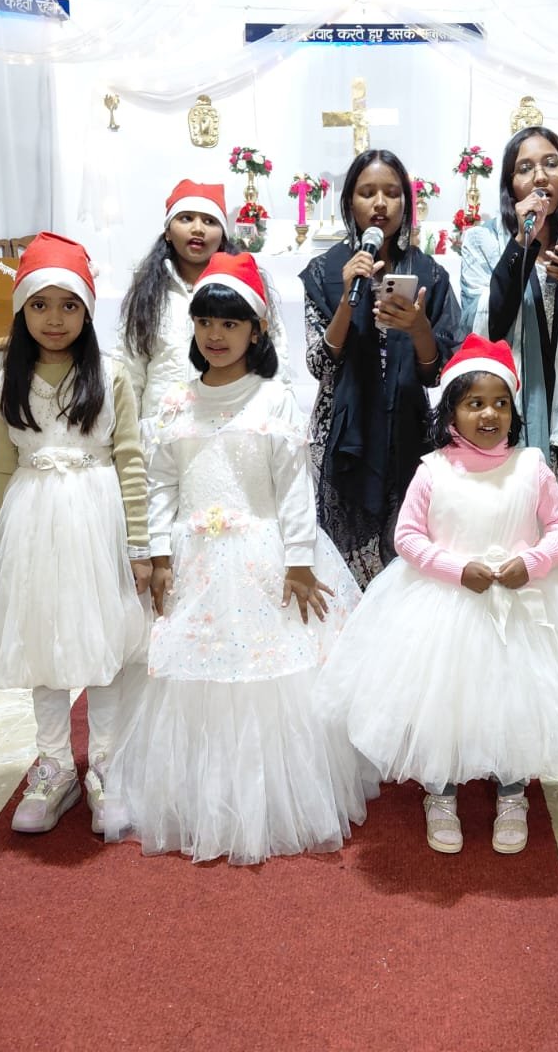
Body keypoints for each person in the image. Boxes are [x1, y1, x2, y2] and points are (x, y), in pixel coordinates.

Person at [315, 336, 558, 855]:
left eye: (500, 403)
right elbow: (407, 537)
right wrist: (455, 568)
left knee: (516, 700)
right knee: (442, 702)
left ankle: (513, 791)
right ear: (451, 410)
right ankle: (441, 790)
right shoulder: (433, 470)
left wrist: (534, 561)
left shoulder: (531, 465)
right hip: (444, 606)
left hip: (523, 606)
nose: (489, 414)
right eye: (474, 403)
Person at [102, 252, 375, 864]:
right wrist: (159, 553)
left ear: (257, 330)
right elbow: (162, 485)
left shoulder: (273, 400)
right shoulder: (176, 403)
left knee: (267, 680)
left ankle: (269, 799)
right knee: (194, 677)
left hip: (264, 559)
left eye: (230, 322)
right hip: (196, 563)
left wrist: (299, 560)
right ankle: (199, 797)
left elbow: (294, 487)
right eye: (205, 322)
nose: (216, 335)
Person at [0, 232, 152, 834]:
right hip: (32, 525)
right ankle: (53, 765)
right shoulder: (4, 382)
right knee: (40, 643)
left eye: (70, 305)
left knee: (104, 645)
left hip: (99, 521)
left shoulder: (111, 376)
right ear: (21, 309)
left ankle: (106, 764)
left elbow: (130, 460)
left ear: (88, 311)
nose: (54, 318)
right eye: (40, 304)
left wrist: (140, 545)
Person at [459, 126, 558, 611]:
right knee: (516, 582)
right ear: (510, 185)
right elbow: (483, 334)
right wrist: (519, 244)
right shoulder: (484, 242)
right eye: (525, 168)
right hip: (508, 431)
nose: (539, 176)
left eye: (551, 163)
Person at [300, 148, 463, 587]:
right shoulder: (323, 271)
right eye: (367, 192)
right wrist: (346, 298)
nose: (379, 204)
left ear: (406, 203)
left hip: (407, 431)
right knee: (345, 568)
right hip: (343, 434)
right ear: (349, 201)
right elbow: (319, 363)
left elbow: (438, 372)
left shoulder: (428, 272)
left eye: (391, 193)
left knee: (404, 565)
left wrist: (418, 328)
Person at [117, 179, 290, 421]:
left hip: (235, 422)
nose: (198, 229)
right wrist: (129, 434)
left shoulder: (246, 287)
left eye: (209, 221)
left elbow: (276, 355)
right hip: (162, 426)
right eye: (186, 218)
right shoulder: (149, 292)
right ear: (168, 232)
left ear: (223, 235)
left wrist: (273, 416)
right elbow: (130, 368)